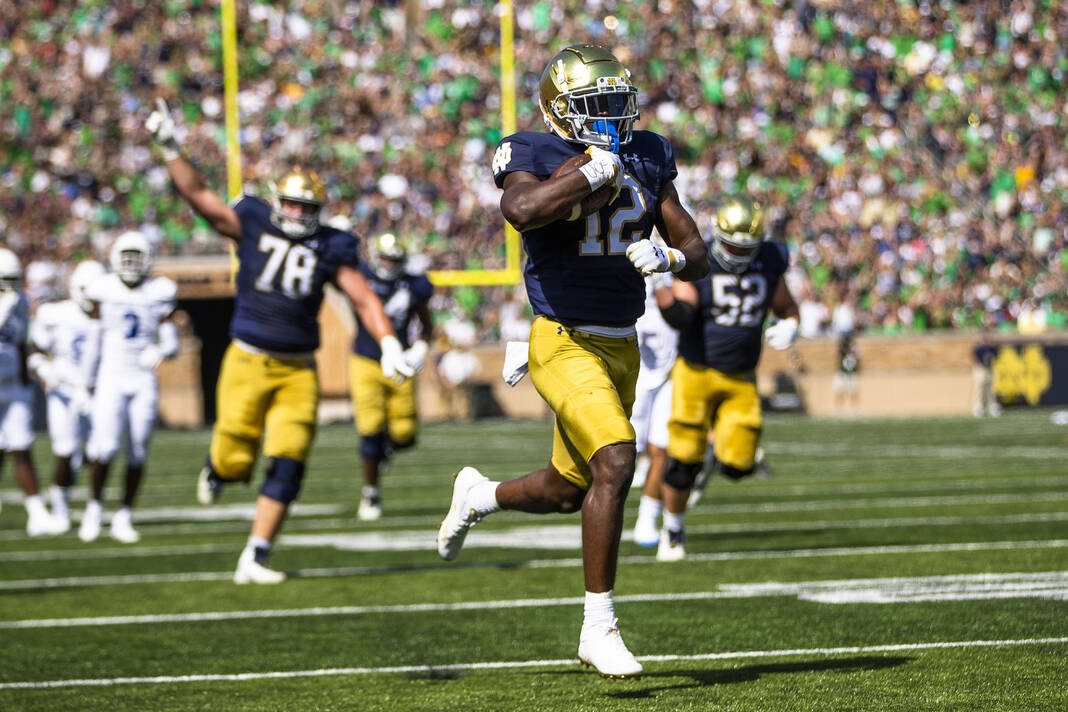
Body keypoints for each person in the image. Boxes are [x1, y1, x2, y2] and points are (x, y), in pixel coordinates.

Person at [436, 45, 710, 679]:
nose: (615, 116)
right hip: (561, 338)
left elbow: (697, 247)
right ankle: (599, 625)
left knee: (570, 490)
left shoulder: (647, 152)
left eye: (621, 103)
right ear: (559, 110)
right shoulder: (531, 151)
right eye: (599, 105)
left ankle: (479, 495)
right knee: (617, 457)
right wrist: (589, 174)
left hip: (622, 342)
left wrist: (668, 260)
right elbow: (523, 211)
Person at [146, 98, 412, 583]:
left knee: (290, 458)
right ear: (274, 200)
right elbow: (199, 196)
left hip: (298, 368)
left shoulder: (332, 245)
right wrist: (169, 148)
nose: (295, 212)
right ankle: (216, 469)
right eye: (289, 203)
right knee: (235, 457)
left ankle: (256, 556)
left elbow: (364, 297)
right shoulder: (251, 220)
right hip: (247, 358)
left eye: (305, 207)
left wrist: (389, 341)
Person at [654, 194, 799, 562]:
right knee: (682, 461)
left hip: (741, 377)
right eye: (731, 244)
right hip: (696, 372)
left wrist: (792, 324)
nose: (736, 253)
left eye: (743, 246)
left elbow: (786, 305)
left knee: (739, 465)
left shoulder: (768, 258)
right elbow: (683, 314)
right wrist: (660, 292)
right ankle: (672, 531)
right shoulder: (700, 256)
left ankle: (715, 457)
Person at [77, 232, 179, 544]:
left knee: (137, 450)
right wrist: (85, 384)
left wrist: (161, 351)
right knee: (105, 447)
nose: (132, 263)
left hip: (143, 378)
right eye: (127, 256)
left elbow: (172, 341)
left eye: (137, 256)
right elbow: (93, 342)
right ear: (115, 258)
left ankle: (124, 513)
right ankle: (94, 508)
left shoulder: (159, 291)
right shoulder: (104, 289)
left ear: (147, 258)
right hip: (111, 375)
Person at [349, 232, 433, 521]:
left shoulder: (413, 285)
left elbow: (426, 321)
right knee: (370, 431)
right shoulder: (360, 277)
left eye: (394, 259)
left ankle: (386, 449)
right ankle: (371, 493)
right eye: (385, 258)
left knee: (405, 435)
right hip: (366, 359)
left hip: (400, 361)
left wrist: (422, 345)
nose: (389, 263)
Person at [28, 259, 106, 532]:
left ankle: (94, 510)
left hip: (97, 393)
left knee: (100, 452)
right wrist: (46, 372)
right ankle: (61, 510)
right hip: (63, 392)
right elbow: (34, 350)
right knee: (65, 450)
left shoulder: (108, 316)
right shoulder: (56, 314)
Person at [0, 248, 65, 536]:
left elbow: (22, 345)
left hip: (14, 384)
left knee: (21, 446)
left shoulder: (22, 302)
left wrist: (31, 375)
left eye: (13, 279)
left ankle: (36, 512)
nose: (9, 286)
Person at [629, 269, 678, 547]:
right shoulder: (629, 263)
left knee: (662, 449)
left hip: (670, 371)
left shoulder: (677, 266)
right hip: (635, 369)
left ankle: (647, 518)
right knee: (622, 451)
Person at [833, 331, 861, 418]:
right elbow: (840, 352)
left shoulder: (854, 349)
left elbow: (858, 357)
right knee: (840, 392)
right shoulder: (842, 349)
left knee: (853, 392)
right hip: (842, 374)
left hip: (851, 374)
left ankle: (855, 410)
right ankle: (838, 410)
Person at [972, 329, 1000, 417]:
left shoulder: (991, 347)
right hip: (981, 369)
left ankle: (992, 406)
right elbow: (975, 358)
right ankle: (979, 406)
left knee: (990, 389)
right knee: (979, 388)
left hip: (989, 369)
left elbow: (995, 356)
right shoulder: (978, 347)